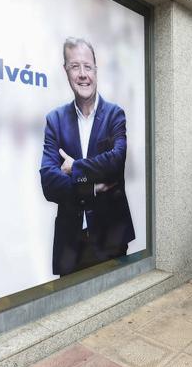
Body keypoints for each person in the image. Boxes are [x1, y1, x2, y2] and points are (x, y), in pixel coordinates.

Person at [40, 37, 135, 276]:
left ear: (95, 69)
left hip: (111, 235)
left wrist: (75, 168)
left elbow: (116, 161)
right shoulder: (55, 120)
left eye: (87, 66)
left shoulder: (115, 115)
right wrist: (91, 188)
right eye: (75, 66)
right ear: (66, 71)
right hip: (70, 240)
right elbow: (49, 182)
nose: (82, 74)